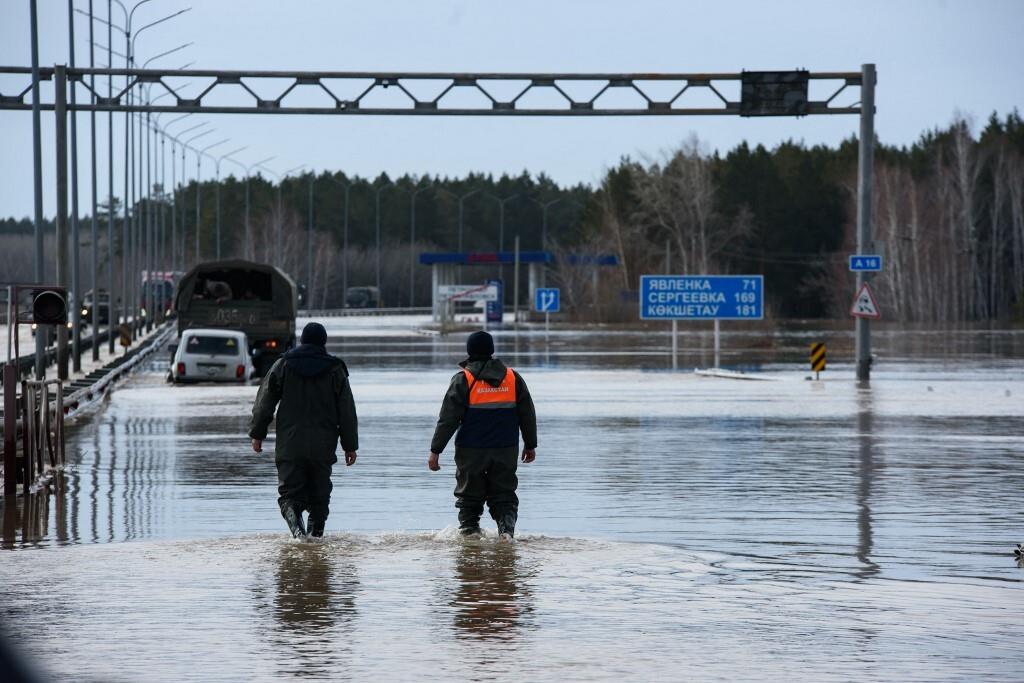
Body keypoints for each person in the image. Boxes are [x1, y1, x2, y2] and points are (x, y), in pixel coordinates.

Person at [249, 322, 358, 538]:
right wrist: (350, 446)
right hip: (323, 447)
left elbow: (265, 402)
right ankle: (315, 542)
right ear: (323, 342)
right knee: (319, 499)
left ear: (302, 341)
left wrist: (257, 433)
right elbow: (347, 411)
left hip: (290, 445)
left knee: (290, 495)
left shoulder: (283, 365)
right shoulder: (335, 369)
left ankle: (297, 533)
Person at [428, 331, 537, 540]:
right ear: (492, 350)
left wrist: (435, 451)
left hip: (471, 451)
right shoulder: (513, 378)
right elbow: (527, 414)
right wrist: (530, 444)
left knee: (469, 498)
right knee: (504, 495)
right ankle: (506, 534)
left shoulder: (464, 380)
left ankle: (470, 538)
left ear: (469, 351)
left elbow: (448, 419)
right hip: (505, 449)